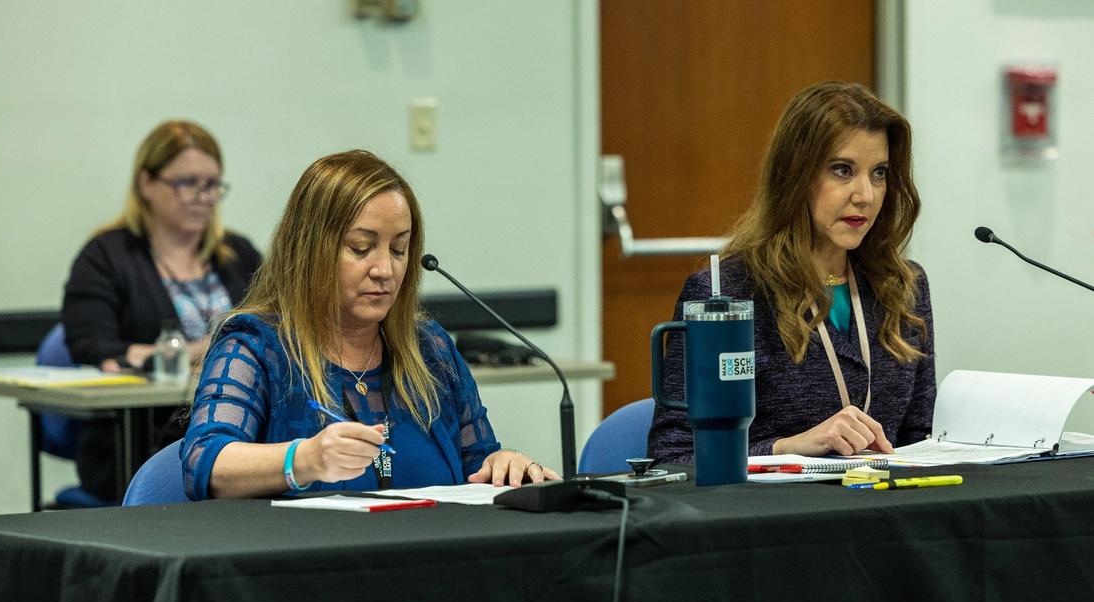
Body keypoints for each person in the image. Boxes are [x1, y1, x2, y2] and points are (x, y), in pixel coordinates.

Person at [180, 150, 560, 499]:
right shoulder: (255, 347)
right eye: (361, 248)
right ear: (309, 248)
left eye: (399, 250)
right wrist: (303, 459)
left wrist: (505, 465)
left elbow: (478, 464)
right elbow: (205, 462)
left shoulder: (431, 350)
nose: (385, 270)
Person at [650, 81, 935, 462]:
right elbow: (674, 457)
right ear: (796, 175)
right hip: (770, 516)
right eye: (842, 170)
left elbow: (921, 441)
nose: (866, 194)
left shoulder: (904, 286)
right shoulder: (728, 295)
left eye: (879, 173)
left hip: (881, 511)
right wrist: (788, 448)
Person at [61, 120, 262, 501]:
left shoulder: (239, 254)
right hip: (136, 441)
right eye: (187, 183)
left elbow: (277, 323)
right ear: (146, 184)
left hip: (241, 431)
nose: (203, 197)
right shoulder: (106, 257)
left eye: (212, 185)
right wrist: (207, 348)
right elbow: (91, 346)